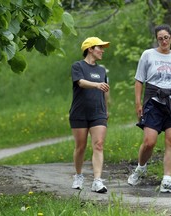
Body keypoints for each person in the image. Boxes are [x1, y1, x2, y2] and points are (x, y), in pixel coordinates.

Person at [127, 24, 171, 193]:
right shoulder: (148, 55)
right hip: (154, 101)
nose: (163, 41)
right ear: (157, 39)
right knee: (149, 142)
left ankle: (167, 181)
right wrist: (138, 103)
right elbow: (139, 80)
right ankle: (140, 168)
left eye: (166, 37)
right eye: (160, 38)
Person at [69, 37, 110, 193]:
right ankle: (78, 175)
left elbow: (105, 90)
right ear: (90, 49)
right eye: (100, 47)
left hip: (98, 113)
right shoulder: (78, 66)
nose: (102, 50)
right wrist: (96, 85)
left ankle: (97, 181)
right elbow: (80, 82)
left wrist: (106, 109)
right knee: (81, 147)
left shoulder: (101, 70)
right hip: (79, 113)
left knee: (98, 144)